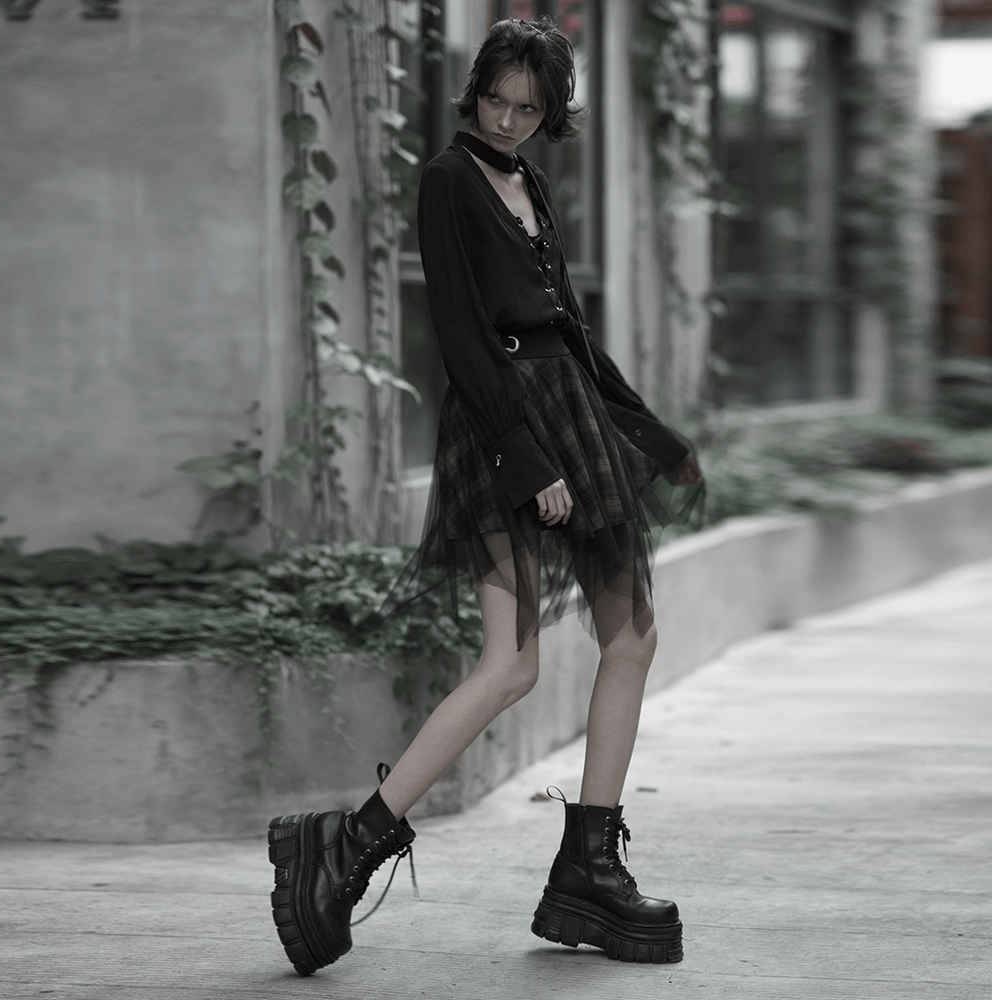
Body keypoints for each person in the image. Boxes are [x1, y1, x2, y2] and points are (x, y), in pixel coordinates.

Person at [267, 16, 703, 975]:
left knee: (633, 637)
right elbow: (462, 332)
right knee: (509, 667)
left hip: (571, 414)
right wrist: (524, 458)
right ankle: (346, 846)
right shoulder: (448, 179)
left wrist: (646, 429)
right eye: (496, 102)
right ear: (476, 94)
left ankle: (589, 867)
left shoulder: (530, 182)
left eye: (527, 109)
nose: (506, 120)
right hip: (504, 425)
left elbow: (570, 330)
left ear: (550, 114)